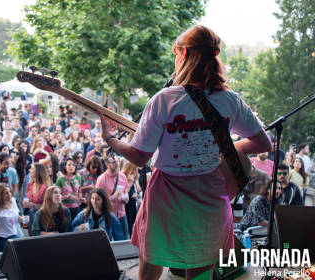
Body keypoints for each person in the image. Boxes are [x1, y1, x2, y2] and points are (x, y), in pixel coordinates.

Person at [98, 25, 272, 279]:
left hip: (166, 198)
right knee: (200, 273)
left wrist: (110, 139)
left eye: (176, 52)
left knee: (149, 271)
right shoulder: (229, 100)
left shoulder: (164, 100)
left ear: (184, 54)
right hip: (209, 198)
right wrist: (227, 148)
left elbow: (139, 157)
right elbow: (262, 144)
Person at [0, 183, 24, 252]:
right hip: (2, 239)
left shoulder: (13, 202)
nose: (9, 195)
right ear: (0, 196)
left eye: (9, 192)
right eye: (6, 193)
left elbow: (17, 217)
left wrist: (23, 219)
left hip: (14, 236)